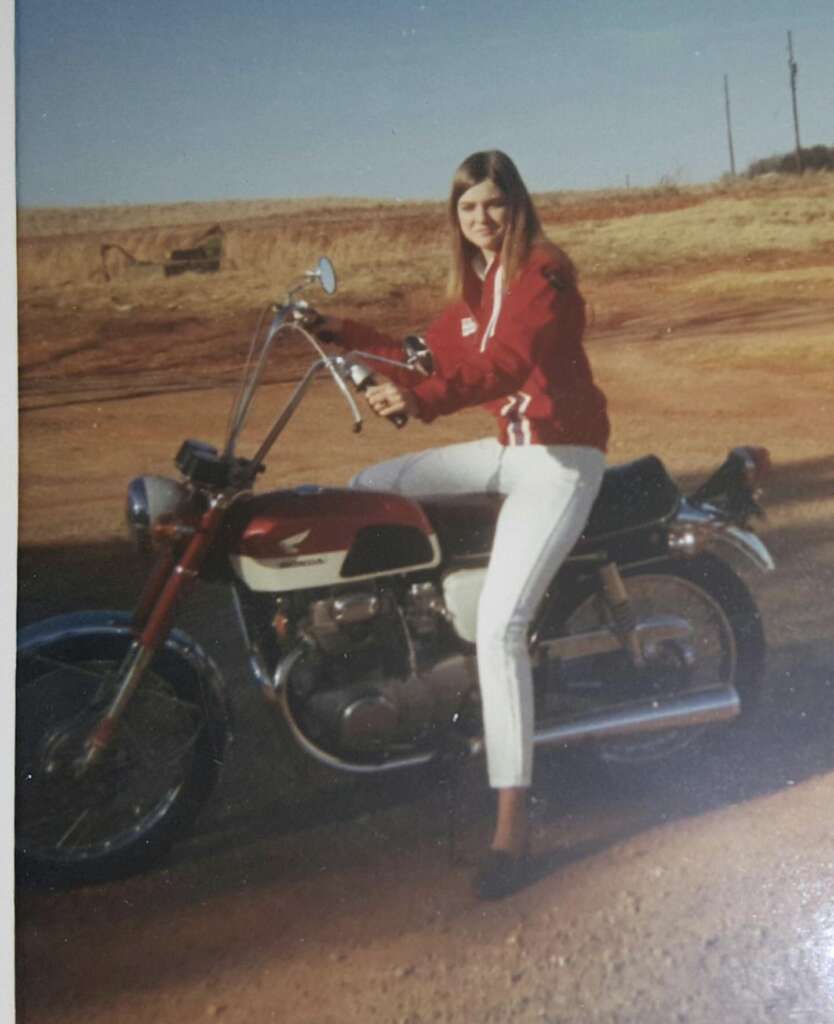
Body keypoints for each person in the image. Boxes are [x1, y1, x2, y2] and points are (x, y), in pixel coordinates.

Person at [308, 150, 610, 899]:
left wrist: (421, 402)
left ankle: (511, 824)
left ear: (518, 207)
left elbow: (507, 365)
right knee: (370, 488)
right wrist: (338, 330)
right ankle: (411, 657)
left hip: (561, 458)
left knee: (502, 629)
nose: (480, 219)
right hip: (508, 450)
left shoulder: (542, 274)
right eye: (468, 208)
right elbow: (424, 353)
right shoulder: (478, 288)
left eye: (493, 205)